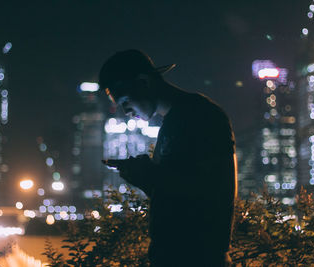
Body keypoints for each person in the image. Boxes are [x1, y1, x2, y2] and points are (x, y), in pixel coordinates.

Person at [99, 50, 237, 267]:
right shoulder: (173, 122)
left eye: (125, 102)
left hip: (197, 257)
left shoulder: (200, 115)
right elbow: (174, 191)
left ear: (144, 82)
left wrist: (148, 174)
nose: (126, 112)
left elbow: (205, 189)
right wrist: (144, 178)